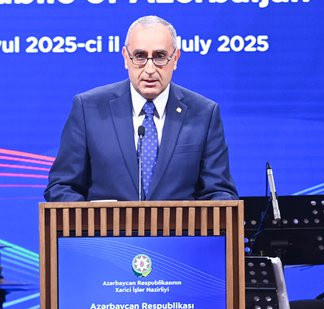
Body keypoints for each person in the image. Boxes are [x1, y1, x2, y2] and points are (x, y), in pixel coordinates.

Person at [44, 15, 238, 202]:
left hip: (180, 227)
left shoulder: (204, 114)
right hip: (106, 227)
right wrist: (97, 219)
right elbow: (62, 187)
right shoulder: (89, 109)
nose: (150, 69)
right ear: (125, 57)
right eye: (140, 56)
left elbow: (220, 193)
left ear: (176, 58)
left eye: (160, 56)